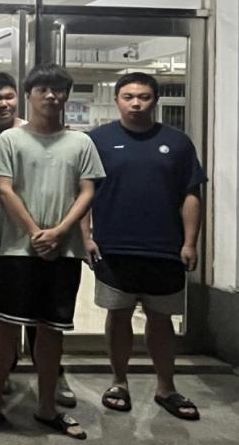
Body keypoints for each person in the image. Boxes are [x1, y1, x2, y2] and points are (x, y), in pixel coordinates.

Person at [0, 63, 104, 440]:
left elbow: (87, 191)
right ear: (29, 95)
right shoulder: (9, 140)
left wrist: (60, 232)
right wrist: (34, 232)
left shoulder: (81, 143)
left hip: (64, 252)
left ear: (66, 95)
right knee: (5, 327)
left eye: (58, 89)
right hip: (16, 249)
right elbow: (4, 189)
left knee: (51, 330)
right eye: (42, 89)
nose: (50, 95)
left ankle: (47, 408)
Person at [83, 72, 206, 420]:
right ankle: (118, 382)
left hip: (165, 249)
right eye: (128, 97)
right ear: (117, 100)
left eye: (144, 97)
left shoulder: (177, 143)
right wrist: (86, 235)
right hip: (113, 248)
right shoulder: (97, 141)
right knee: (118, 316)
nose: (136, 103)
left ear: (155, 100)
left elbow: (191, 194)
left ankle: (166, 387)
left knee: (161, 320)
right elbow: (84, 192)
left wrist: (190, 242)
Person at [0, 70, 75, 406]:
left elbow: (81, 190)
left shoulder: (55, 136)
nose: (3, 104)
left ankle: (52, 378)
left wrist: (60, 234)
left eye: (8, 96)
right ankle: (0, 379)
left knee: (46, 320)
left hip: (46, 241)